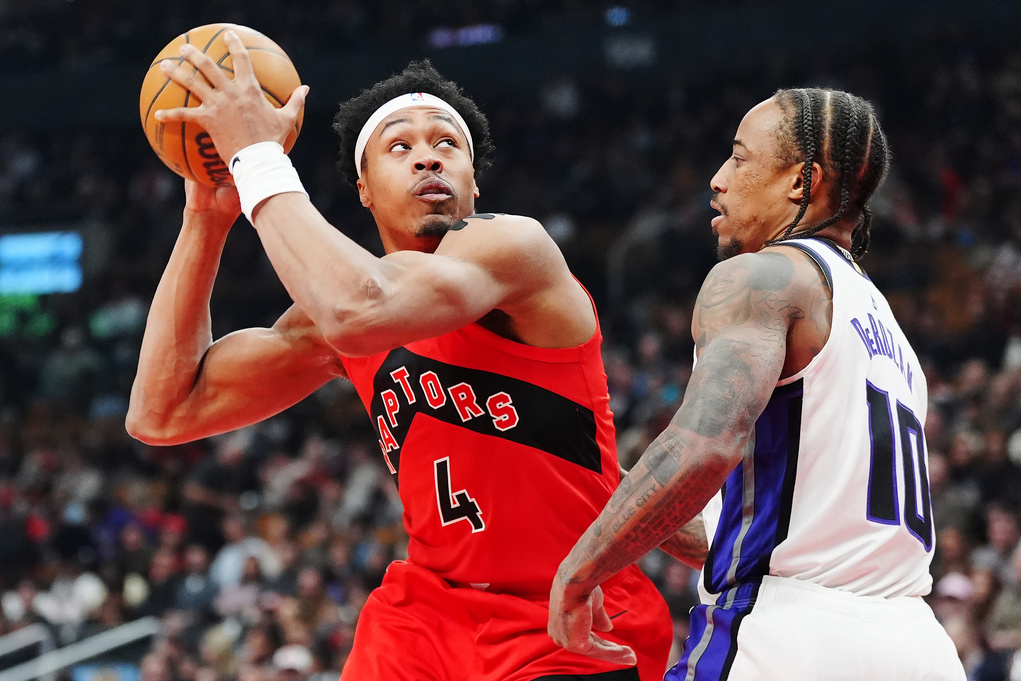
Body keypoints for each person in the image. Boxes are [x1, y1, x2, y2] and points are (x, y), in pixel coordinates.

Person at [126, 31, 671, 680]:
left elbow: (362, 307)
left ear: (473, 180)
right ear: (363, 188)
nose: (427, 159)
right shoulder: (336, 316)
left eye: (448, 144)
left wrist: (256, 156)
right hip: (427, 620)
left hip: (568, 613)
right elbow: (163, 411)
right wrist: (206, 219)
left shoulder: (515, 249)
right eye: (400, 146)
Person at [548, 88, 966, 680]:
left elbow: (705, 445)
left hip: (790, 639)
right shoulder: (886, 329)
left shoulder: (763, 275)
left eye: (740, 158)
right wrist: (605, 480)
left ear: (802, 181)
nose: (717, 179)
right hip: (920, 649)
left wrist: (581, 569)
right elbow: (737, 529)